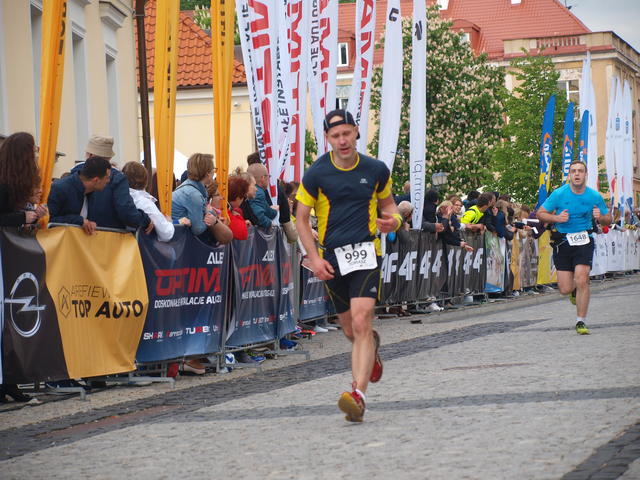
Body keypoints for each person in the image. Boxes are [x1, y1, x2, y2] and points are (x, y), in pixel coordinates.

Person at [295, 109, 402, 423]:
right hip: (332, 258)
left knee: (360, 319)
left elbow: (389, 204)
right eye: (335, 136)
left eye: (346, 134)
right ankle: (371, 351)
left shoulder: (376, 169)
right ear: (327, 138)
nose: (342, 141)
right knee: (349, 329)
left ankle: (358, 396)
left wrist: (394, 221)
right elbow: (301, 218)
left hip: (367, 252)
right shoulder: (316, 174)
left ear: (356, 132)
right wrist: (314, 258)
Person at [537, 160, 611, 335]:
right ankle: (573, 291)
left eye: (580, 171)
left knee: (582, 279)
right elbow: (540, 213)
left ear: (585, 175)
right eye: (573, 171)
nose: (577, 174)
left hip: (584, 239)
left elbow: (608, 219)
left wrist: (600, 217)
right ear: (570, 175)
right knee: (564, 289)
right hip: (563, 241)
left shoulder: (594, 196)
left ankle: (580, 321)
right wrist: (556, 218)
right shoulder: (559, 194)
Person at [0, 132, 46, 403]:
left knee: (10, 319)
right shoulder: (4, 183)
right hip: (4, 257)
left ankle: (10, 381)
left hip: (9, 257)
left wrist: (29, 218)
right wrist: (22, 216)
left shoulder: (11, 182)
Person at [68, 135, 153, 232]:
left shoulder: (75, 174)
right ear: (109, 157)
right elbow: (126, 212)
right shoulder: (117, 178)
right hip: (108, 236)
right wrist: (145, 220)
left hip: (74, 234)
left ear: (90, 155)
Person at [172, 153, 232, 247]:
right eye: (214, 170)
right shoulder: (194, 194)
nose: (214, 173)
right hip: (180, 244)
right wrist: (211, 214)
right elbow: (197, 229)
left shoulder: (188, 188)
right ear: (208, 174)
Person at [122, 161, 190, 242]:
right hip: (140, 247)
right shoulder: (145, 203)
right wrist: (171, 222)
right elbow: (166, 233)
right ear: (146, 181)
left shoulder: (120, 198)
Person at [48, 156, 114, 235]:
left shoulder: (94, 193)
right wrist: (79, 221)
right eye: (107, 178)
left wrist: (89, 223)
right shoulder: (59, 189)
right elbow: (47, 220)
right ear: (96, 180)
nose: (108, 181)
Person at [246, 162, 279, 229]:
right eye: (268, 176)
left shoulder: (257, 191)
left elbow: (266, 210)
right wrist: (270, 224)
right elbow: (259, 216)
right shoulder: (258, 193)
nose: (269, 179)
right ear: (263, 178)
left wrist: (272, 210)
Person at [226, 174, 250, 240]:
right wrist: (238, 217)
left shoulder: (227, 209)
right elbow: (243, 234)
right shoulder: (226, 212)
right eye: (244, 197)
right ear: (238, 198)